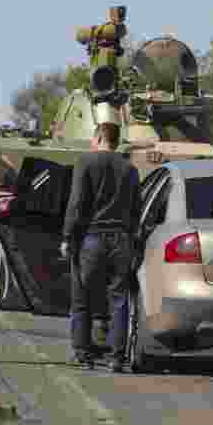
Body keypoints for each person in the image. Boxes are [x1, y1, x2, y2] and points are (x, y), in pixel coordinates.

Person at [59, 122, 141, 372]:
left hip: (91, 239)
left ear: (98, 138)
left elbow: (76, 204)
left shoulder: (86, 163)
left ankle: (83, 354)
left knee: (81, 298)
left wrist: (67, 237)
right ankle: (117, 357)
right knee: (119, 300)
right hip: (121, 240)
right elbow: (136, 208)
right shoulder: (130, 169)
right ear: (117, 141)